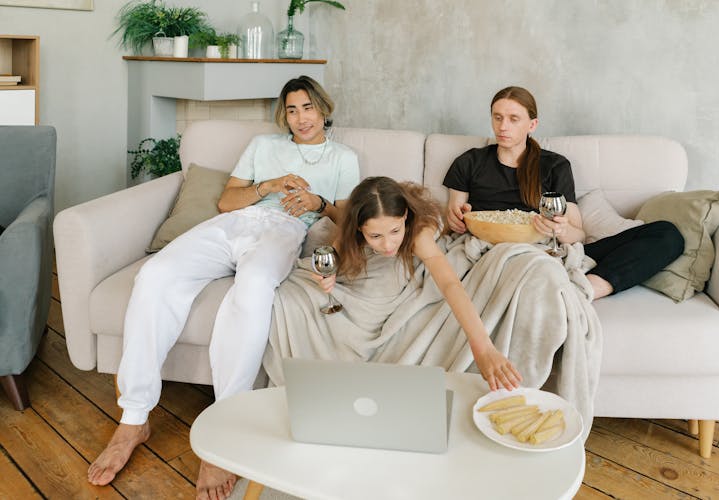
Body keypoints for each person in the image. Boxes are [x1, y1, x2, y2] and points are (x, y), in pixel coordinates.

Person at [87, 75, 360, 500]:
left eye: (308, 107)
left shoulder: (343, 157)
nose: (301, 118)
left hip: (285, 230)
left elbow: (348, 219)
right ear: (283, 115)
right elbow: (226, 203)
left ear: (323, 109)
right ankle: (134, 418)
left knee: (253, 288)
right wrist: (269, 185)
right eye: (291, 109)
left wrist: (318, 204)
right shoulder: (263, 147)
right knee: (155, 275)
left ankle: (223, 429)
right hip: (234, 224)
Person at [443, 86, 684, 299]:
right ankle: (549, 288)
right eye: (497, 118)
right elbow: (456, 218)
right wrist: (456, 220)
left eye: (513, 119)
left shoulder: (554, 165)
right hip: (492, 250)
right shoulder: (469, 162)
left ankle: (585, 289)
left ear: (532, 124)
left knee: (667, 234)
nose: (503, 126)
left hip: (547, 249)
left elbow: (578, 235)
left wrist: (560, 229)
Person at [312, 176, 523, 392]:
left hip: (427, 220)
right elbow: (339, 242)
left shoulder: (419, 234)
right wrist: (331, 266)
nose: (387, 245)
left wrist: (484, 348)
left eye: (395, 231)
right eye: (375, 236)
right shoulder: (354, 225)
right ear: (358, 228)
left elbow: (449, 283)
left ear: (404, 217)